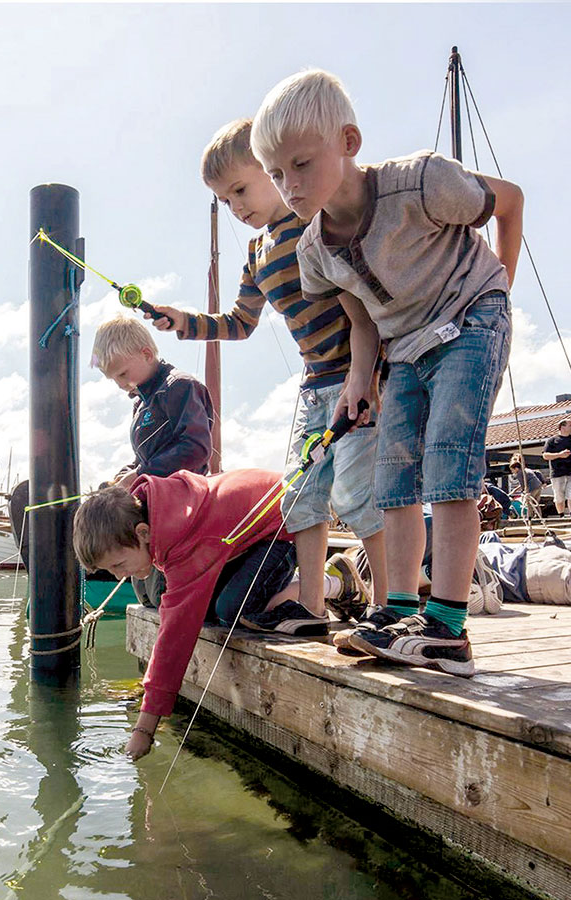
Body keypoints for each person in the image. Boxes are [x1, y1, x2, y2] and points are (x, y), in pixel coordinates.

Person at [253, 69, 524, 676]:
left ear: (348, 142)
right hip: (403, 345)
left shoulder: (422, 182)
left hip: (469, 319)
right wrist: (358, 378)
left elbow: (509, 200)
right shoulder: (314, 252)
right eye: (276, 174)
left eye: (301, 164)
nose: (289, 185)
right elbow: (361, 310)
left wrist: (502, 282)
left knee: (448, 463)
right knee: (392, 476)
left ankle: (450, 628)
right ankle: (400, 609)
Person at [141, 117, 385, 628]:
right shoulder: (255, 254)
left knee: (359, 495)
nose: (237, 206)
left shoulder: (314, 223)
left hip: (356, 376)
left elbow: (362, 305)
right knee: (303, 497)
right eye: (226, 200)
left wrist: (367, 376)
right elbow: (240, 322)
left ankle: (390, 607)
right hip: (315, 385)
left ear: (270, 170)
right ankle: (313, 607)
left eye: (241, 189)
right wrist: (184, 321)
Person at [74, 472, 357, 759]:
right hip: (243, 542)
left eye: (119, 564)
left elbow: (175, 638)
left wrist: (144, 729)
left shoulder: (183, 536)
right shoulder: (157, 515)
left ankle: (333, 582)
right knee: (210, 611)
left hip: (280, 530)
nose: (119, 575)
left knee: (234, 610)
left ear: (143, 533)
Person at [91, 317, 214, 485]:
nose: (120, 385)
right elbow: (145, 459)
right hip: (156, 491)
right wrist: (124, 476)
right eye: (113, 379)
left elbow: (195, 448)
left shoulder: (179, 386)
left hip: (184, 493)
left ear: (147, 355)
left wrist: (139, 474)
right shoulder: (140, 404)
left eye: (123, 374)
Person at [542, 420, 571, 516]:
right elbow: (545, 455)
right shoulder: (552, 441)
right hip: (558, 472)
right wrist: (559, 455)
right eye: (570, 425)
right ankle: (561, 515)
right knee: (559, 496)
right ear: (562, 427)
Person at [506, 453, 544, 517]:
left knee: (529, 502)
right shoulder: (526, 470)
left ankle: (529, 517)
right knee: (536, 503)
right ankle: (538, 516)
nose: (512, 472)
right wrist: (515, 490)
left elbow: (523, 485)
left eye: (512, 470)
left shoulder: (519, 473)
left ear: (516, 468)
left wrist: (523, 493)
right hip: (538, 486)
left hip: (532, 487)